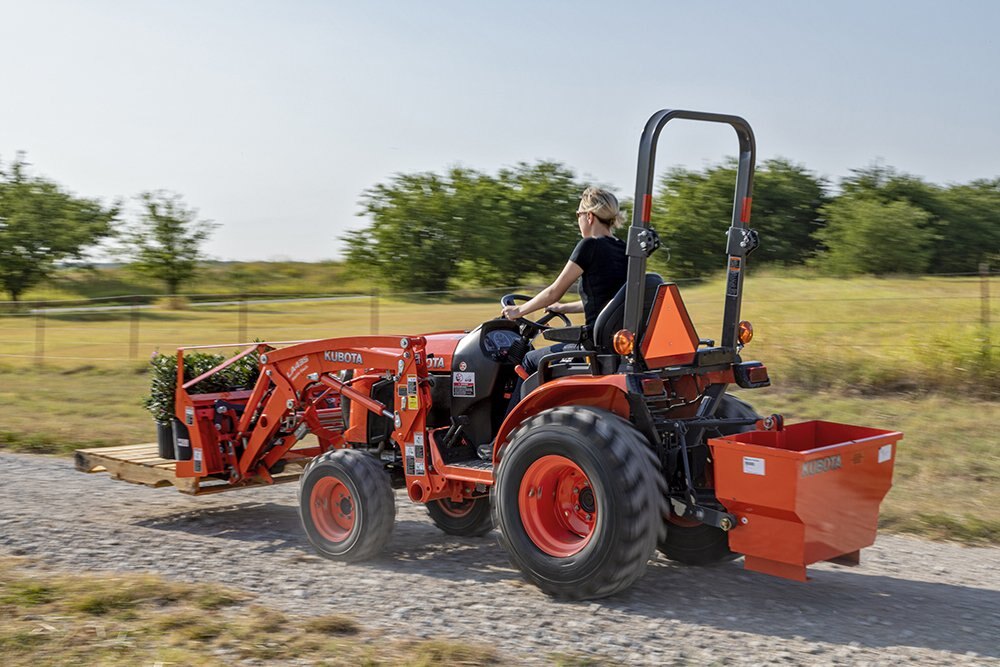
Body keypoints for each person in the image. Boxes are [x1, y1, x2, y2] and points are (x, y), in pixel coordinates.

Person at [501, 186, 627, 377]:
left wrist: (517, 311)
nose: (578, 220)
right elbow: (608, 303)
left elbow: (554, 292)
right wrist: (563, 308)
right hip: (613, 345)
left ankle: (515, 408)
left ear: (589, 216)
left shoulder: (590, 245)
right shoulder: (623, 249)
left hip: (592, 345)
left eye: (578, 214)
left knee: (528, 360)